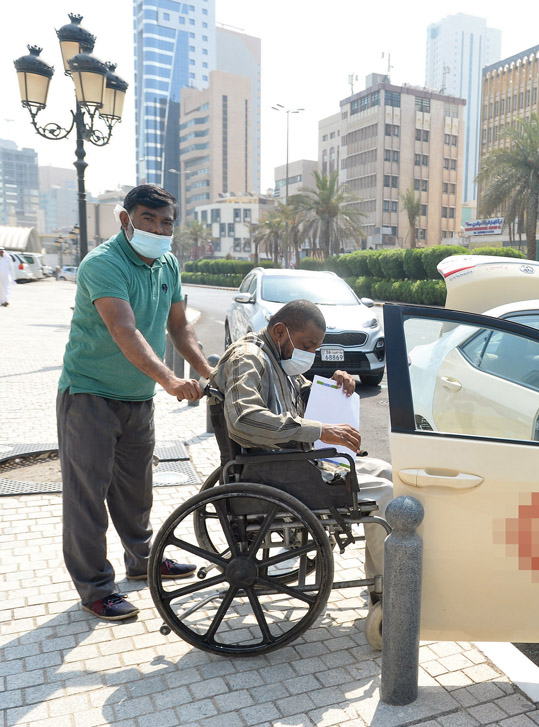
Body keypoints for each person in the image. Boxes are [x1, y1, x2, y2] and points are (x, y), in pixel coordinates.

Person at [58, 184, 212, 621]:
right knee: (88, 494)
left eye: (166, 222)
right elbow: (124, 328)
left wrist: (207, 372)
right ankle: (95, 588)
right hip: (89, 394)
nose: (158, 229)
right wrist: (169, 379)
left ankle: (141, 559)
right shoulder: (103, 264)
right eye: (147, 219)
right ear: (125, 219)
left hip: (136, 398)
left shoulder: (167, 263)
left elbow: (179, 327)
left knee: (135, 489)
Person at [210, 299, 393, 603]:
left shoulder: (276, 357)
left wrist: (336, 384)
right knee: (384, 492)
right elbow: (244, 419)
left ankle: (381, 582)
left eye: (314, 349)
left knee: (384, 471)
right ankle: (390, 589)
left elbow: (301, 393)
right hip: (274, 473)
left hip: (286, 463)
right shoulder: (249, 358)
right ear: (281, 331)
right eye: (307, 345)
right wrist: (320, 430)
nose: (310, 355)